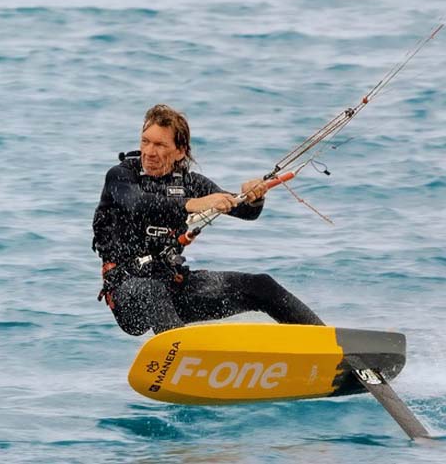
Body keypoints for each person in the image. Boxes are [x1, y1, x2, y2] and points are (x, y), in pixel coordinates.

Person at [92, 104, 324, 335]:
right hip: (127, 291)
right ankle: (179, 352)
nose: (149, 152)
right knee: (152, 290)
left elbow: (246, 211)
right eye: (145, 142)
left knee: (261, 286)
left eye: (160, 145)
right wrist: (193, 204)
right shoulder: (121, 176)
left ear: (180, 151)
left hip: (174, 285)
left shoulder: (191, 183)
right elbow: (138, 204)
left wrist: (254, 196)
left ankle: (330, 345)